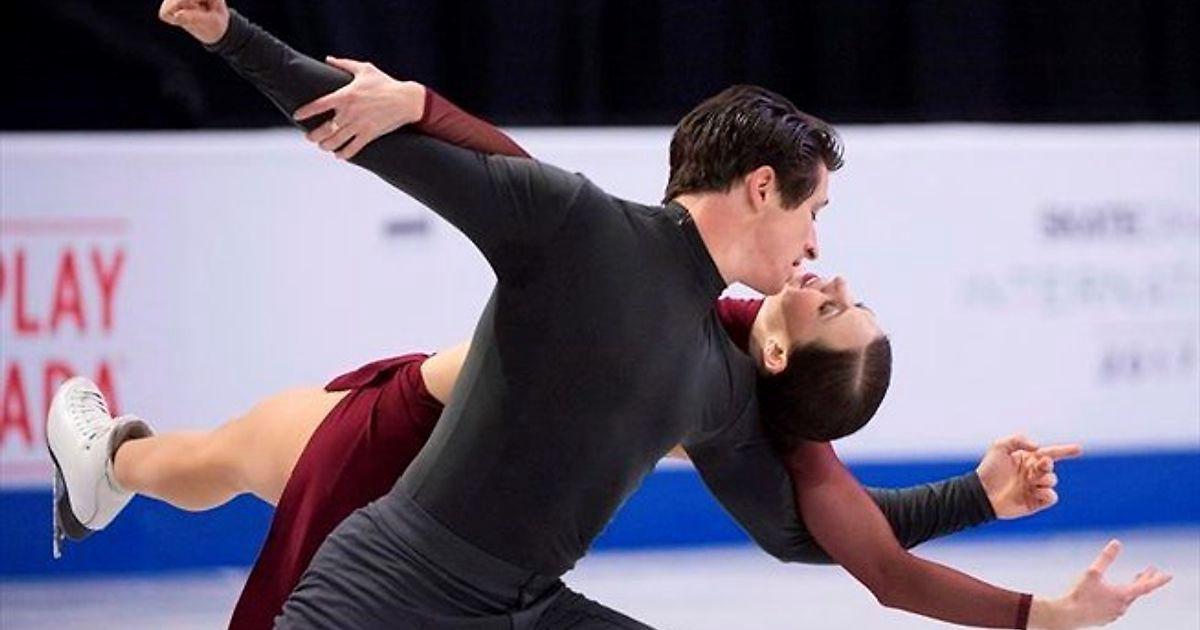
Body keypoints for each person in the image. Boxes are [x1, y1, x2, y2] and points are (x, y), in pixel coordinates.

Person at [55, 2, 1172, 627]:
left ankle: (114, 463)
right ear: (762, 188)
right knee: (223, 456)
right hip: (392, 577)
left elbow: (818, 535)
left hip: (519, 602)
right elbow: (401, 146)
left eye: (836, 288)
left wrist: (1014, 570)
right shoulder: (588, 232)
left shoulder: (729, 376)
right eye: (817, 213)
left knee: (230, 456)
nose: (821, 251)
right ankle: (111, 461)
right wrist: (233, 36)